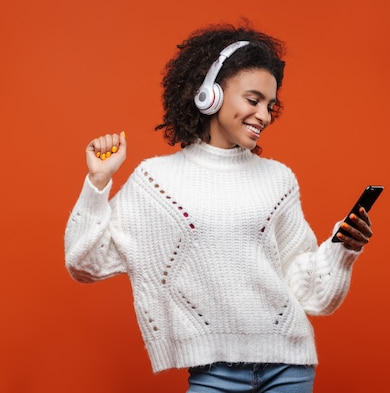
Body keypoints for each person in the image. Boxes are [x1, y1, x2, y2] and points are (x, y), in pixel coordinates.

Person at [64, 22, 374, 393]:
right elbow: (85, 263)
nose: (264, 115)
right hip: (214, 372)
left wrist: (344, 248)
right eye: (253, 100)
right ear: (210, 95)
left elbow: (309, 292)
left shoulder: (278, 180)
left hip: (290, 365)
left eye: (271, 106)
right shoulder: (157, 182)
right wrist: (97, 183)